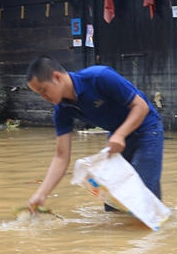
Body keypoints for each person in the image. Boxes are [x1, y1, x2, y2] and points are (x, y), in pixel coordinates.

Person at [25, 57, 163, 212]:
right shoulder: (62, 109)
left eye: (44, 90)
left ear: (57, 77)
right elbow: (61, 156)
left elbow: (141, 107)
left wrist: (120, 134)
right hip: (117, 138)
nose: (44, 97)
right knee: (113, 204)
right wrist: (42, 194)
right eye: (39, 94)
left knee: (143, 200)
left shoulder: (99, 77)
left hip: (146, 129)